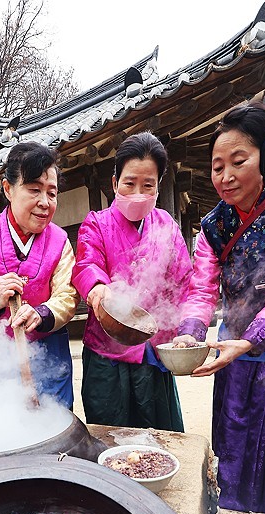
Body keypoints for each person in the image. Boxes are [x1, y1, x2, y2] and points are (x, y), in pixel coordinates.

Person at [174, 101, 265, 514]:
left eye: (239, 161)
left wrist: (254, 338)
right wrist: (192, 332)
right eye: (217, 167)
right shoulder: (214, 225)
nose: (226, 176)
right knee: (235, 443)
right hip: (234, 354)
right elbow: (201, 287)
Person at [72, 131, 193, 430]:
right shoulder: (96, 223)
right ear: (114, 183)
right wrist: (98, 287)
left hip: (152, 352)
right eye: (129, 183)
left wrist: (186, 328)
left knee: (160, 436)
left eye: (147, 185)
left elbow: (183, 283)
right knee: (109, 437)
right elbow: (87, 263)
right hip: (105, 353)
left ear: (157, 187)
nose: (138, 192)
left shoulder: (167, 225)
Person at [0, 142, 79, 408]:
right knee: (3, 426)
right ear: (8, 189)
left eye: (52, 193)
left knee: (55, 425)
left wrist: (42, 313)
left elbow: (67, 295)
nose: (44, 202)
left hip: (49, 352)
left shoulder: (60, 241)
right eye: (34, 190)